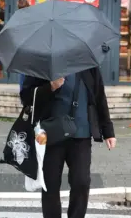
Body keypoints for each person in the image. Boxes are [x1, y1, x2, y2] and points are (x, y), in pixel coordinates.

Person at [20, 69, 117, 218]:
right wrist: (50, 87)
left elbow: (99, 96)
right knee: (50, 185)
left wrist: (108, 131)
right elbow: (26, 97)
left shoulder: (88, 63)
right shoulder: (44, 63)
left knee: (81, 182)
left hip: (81, 134)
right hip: (50, 135)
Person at [16, 0, 30, 92]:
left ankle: (23, 95)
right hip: (31, 51)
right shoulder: (33, 18)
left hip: (22, 51)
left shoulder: (17, 20)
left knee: (23, 74)